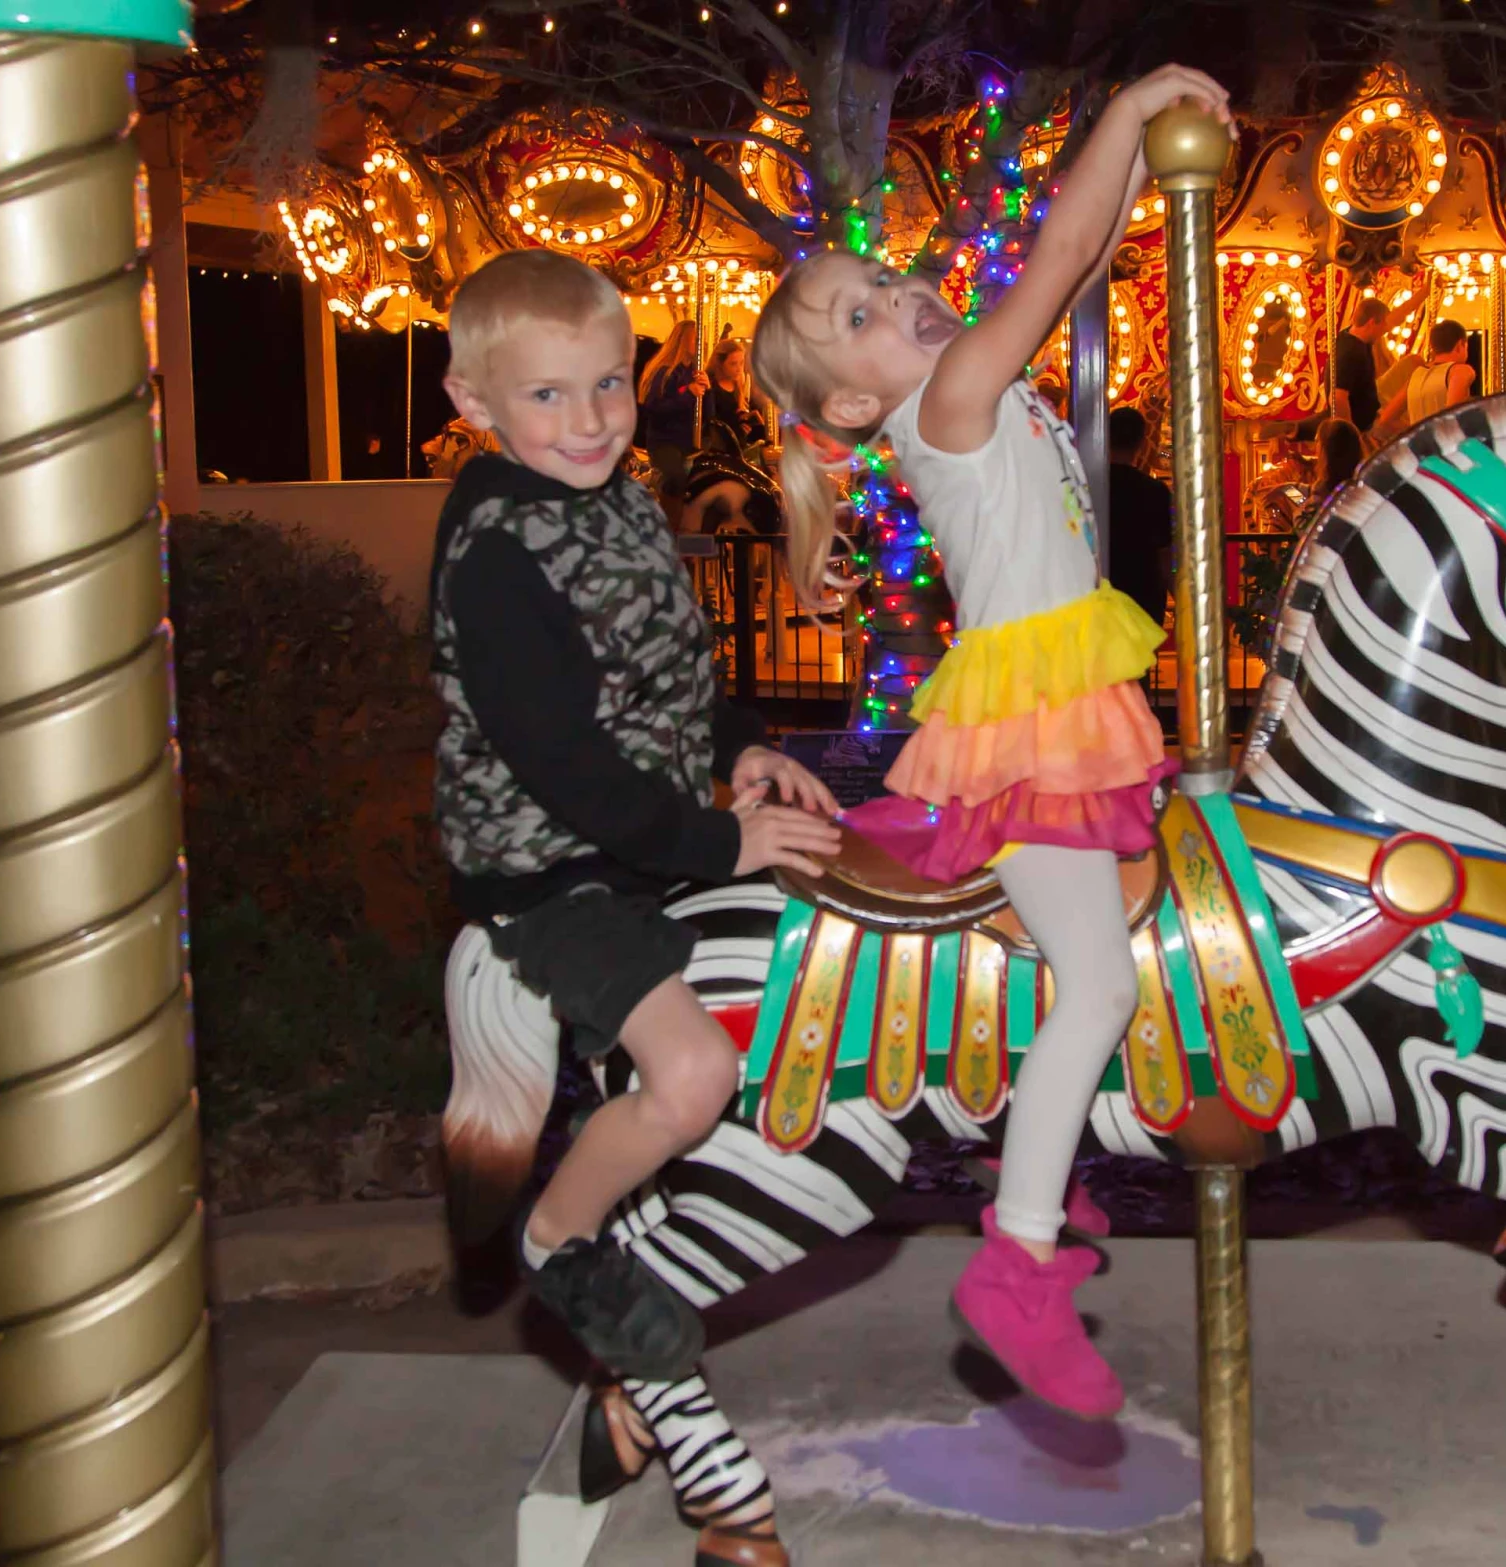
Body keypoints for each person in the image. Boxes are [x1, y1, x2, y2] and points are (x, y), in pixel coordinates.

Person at [751, 64, 1233, 1419]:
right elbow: (1065, 248)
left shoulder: (958, 379)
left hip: (1044, 705)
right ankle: (1016, 1259)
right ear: (847, 406)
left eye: (875, 277)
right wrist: (1133, 107)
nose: (889, 294)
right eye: (854, 314)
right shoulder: (950, 398)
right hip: (1028, 731)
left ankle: (1045, 1163)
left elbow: (1079, 266)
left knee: (1096, 954)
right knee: (1098, 988)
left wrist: (1151, 158)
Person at [430, 250, 844, 1381]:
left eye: (609, 384)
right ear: (475, 405)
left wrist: (741, 744)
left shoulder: (615, 499)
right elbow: (561, 763)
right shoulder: (500, 555)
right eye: (547, 395)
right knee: (696, 1075)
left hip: (637, 837)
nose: (590, 420)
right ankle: (559, 1241)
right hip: (555, 871)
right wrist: (720, 838)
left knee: (835, 925)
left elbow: (669, 673)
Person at [1105, 405, 1173, 629]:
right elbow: (1165, 553)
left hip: (1101, 592)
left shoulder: (1089, 486)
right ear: (1141, 443)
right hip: (1143, 593)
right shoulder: (1155, 491)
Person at [1329, 294, 1420, 435]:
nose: (1386, 329)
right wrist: (1351, 435)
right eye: (1383, 325)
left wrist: (1425, 291)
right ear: (1372, 322)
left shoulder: (1349, 335)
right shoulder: (1351, 352)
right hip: (1365, 426)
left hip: (1372, 412)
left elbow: (1394, 319)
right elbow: (1338, 397)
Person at [637, 318, 705, 494]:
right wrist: (688, 394)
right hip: (665, 441)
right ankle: (670, 515)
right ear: (682, 341)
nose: (700, 344)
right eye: (696, 339)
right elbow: (654, 409)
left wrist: (708, 390)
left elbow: (708, 414)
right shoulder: (664, 372)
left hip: (687, 440)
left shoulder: (694, 373)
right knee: (676, 479)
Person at [1382, 319, 1476, 436]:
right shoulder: (1460, 371)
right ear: (1460, 345)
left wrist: (1418, 432)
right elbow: (1452, 415)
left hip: (1422, 448)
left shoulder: (1416, 374)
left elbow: (1386, 419)